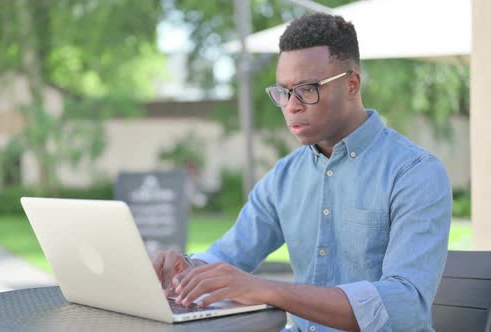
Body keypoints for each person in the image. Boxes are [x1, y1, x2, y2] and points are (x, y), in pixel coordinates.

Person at [151, 13, 452, 332]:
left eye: (307, 89)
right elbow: (229, 255)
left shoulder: (415, 173)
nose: (291, 106)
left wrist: (271, 291)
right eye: (283, 92)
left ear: (351, 84)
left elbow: (405, 306)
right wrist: (188, 268)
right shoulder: (285, 177)